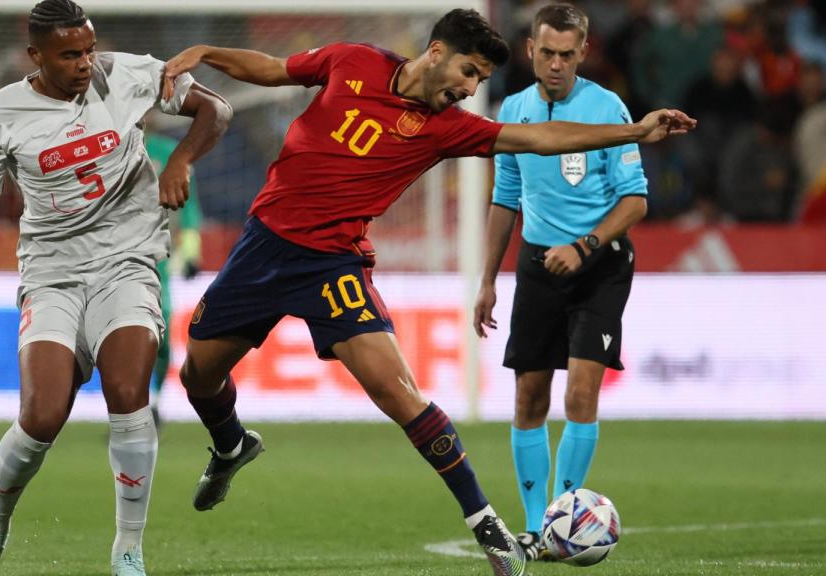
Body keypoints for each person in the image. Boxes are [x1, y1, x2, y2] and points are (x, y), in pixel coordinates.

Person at [163, 8, 694, 576]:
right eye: (467, 72)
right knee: (198, 375)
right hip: (263, 249)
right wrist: (205, 53)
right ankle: (230, 446)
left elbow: (541, 137)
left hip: (332, 269)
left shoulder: (449, 128)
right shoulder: (354, 61)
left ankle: (489, 529)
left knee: (402, 397)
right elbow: (272, 69)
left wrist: (635, 131)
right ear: (436, 52)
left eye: (481, 82)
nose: (469, 89)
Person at [0, 1, 231, 575]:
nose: (85, 63)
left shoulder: (125, 74)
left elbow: (216, 109)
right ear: (36, 56)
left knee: (130, 392)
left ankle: (128, 548)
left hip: (127, 260)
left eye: (89, 49)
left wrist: (179, 159)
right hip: (51, 271)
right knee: (43, 414)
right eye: (69, 55)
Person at [474, 3, 649, 561]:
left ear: (583, 53)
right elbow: (504, 200)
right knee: (528, 396)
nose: (556, 64)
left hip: (599, 264)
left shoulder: (608, 109)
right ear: (530, 50)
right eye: (546, 53)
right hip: (537, 266)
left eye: (567, 55)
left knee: (579, 391)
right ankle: (535, 527)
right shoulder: (514, 110)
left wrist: (584, 246)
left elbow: (636, 200)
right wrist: (487, 280)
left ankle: (566, 515)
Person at [145, 131, 204, 428]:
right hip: (111, 258)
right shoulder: (104, 146)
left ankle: (153, 403)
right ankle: (128, 407)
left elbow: (188, 207)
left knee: (161, 336)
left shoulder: (166, 151)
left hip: (156, 260)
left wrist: (191, 253)